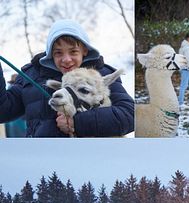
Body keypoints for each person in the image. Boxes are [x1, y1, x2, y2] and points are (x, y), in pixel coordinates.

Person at [0, 19, 134, 137]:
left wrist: (77, 123)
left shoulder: (101, 75)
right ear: (50, 54)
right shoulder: (31, 76)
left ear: (84, 51)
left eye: (73, 52)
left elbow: (130, 115)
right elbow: (3, 111)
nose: (66, 60)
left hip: (89, 158)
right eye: (58, 53)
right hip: (40, 157)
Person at [178, 33, 189, 107]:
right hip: (186, 69)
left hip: (184, 68)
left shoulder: (182, 47)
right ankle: (181, 103)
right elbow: (187, 60)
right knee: (183, 85)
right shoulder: (187, 48)